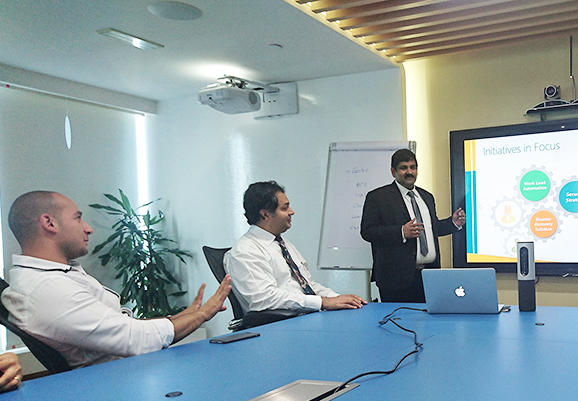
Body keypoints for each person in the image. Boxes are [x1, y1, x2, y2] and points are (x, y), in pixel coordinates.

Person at [1, 191, 231, 369]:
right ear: (49, 223)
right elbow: (134, 339)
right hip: (119, 386)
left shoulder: (56, 276)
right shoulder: (46, 290)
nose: (88, 228)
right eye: (78, 218)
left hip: (129, 373)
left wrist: (183, 317)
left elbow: (119, 325)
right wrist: (201, 315)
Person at [224, 181, 366, 313]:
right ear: (265, 214)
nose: (292, 212)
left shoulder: (282, 243)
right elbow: (264, 299)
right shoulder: (245, 251)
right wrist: (323, 302)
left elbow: (307, 285)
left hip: (304, 317)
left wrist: (339, 299)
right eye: (285, 208)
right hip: (279, 327)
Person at [360, 149, 465, 302]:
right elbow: (367, 231)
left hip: (429, 276)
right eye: (403, 168)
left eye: (413, 167)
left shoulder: (427, 197)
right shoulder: (378, 197)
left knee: (430, 324)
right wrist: (401, 232)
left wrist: (452, 223)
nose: (409, 172)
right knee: (399, 323)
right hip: (396, 280)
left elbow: (430, 229)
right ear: (393, 171)